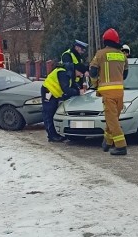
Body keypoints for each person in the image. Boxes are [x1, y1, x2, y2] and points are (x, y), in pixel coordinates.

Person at [89, 28, 129, 156]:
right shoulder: (122, 55)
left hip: (107, 93)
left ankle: (121, 146)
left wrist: (95, 83)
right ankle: (107, 142)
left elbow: (93, 71)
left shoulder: (100, 54)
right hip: (120, 92)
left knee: (111, 120)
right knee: (113, 118)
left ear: (105, 40)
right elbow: (126, 74)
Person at [41, 62, 87, 142]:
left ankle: (54, 134)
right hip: (48, 90)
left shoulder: (70, 72)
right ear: (77, 70)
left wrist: (78, 89)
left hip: (54, 93)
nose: (81, 75)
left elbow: (72, 84)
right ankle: (51, 136)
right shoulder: (63, 72)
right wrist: (78, 92)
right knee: (48, 113)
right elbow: (65, 88)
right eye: (81, 73)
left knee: (52, 112)